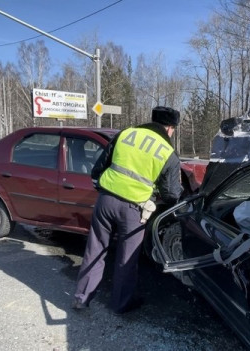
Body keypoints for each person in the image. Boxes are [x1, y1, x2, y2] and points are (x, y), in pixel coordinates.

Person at [73, 106, 183, 314]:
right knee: (127, 259)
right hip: (134, 210)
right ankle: (120, 304)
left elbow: (99, 168)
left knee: (95, 249)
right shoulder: (168, 153)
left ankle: (82, 297)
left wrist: (104, 190)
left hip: (105, 201)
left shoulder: (125, 134)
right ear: (169, 128)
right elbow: (171, 195)